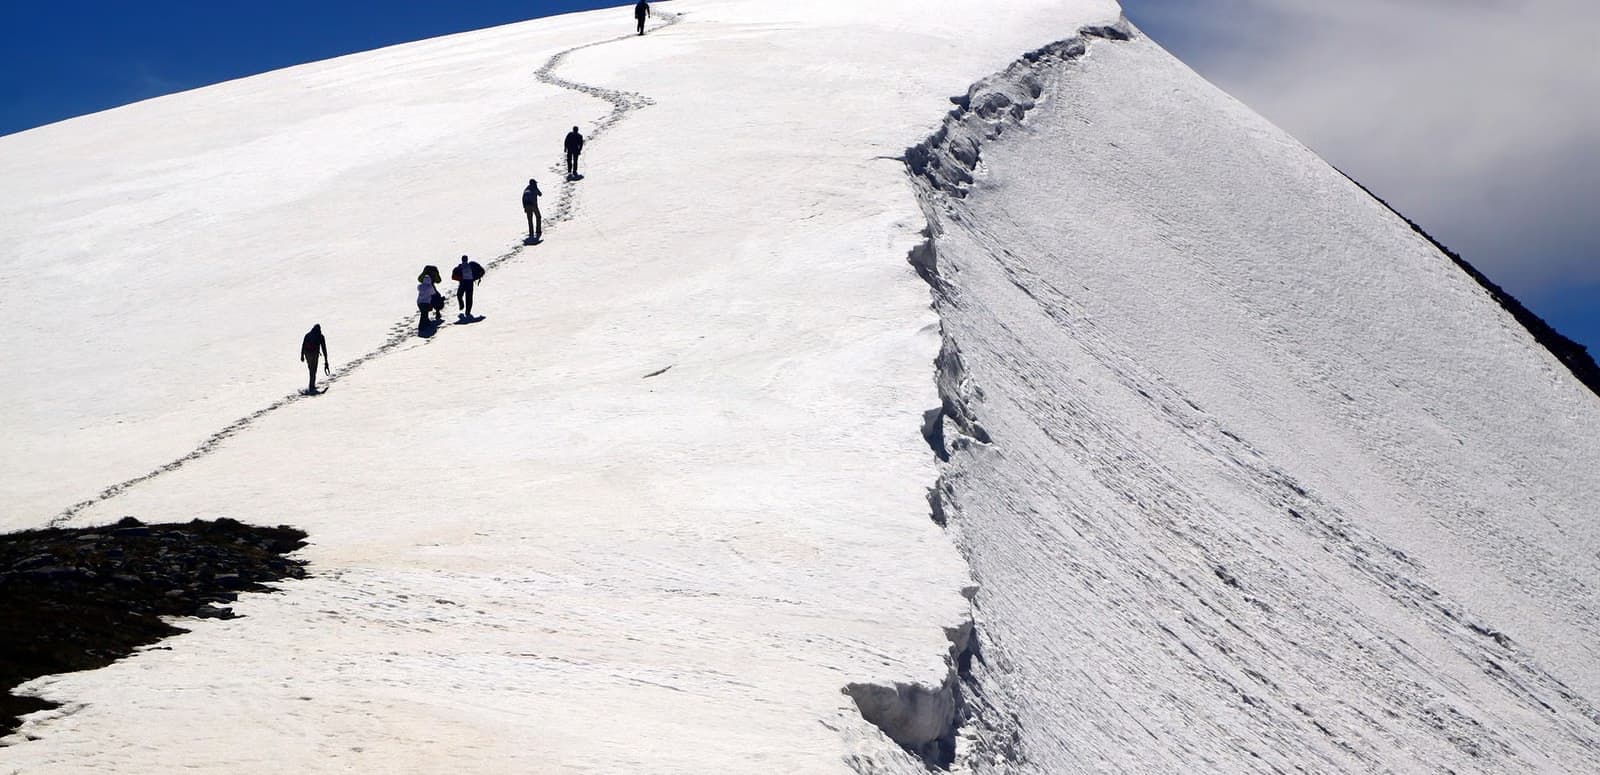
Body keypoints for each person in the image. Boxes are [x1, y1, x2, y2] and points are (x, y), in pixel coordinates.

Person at [300, 324, 329, 393]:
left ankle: (312, 386)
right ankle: (311, 387)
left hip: (307, 354)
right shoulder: (321, 336)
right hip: (314, 354)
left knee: (311, 370)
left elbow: (303, 345)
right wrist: (326, 360)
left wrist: (302, 356)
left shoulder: (308, 335)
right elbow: (324, 348)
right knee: (313, 370)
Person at [417, 267, 443, 332]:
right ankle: (423, 326)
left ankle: (426, 323)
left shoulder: (420, 286)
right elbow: (438, 281)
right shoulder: (430, 287)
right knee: (424, 314)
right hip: (426, 302)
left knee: (423, 313)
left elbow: (419, 280)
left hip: (419, 302)